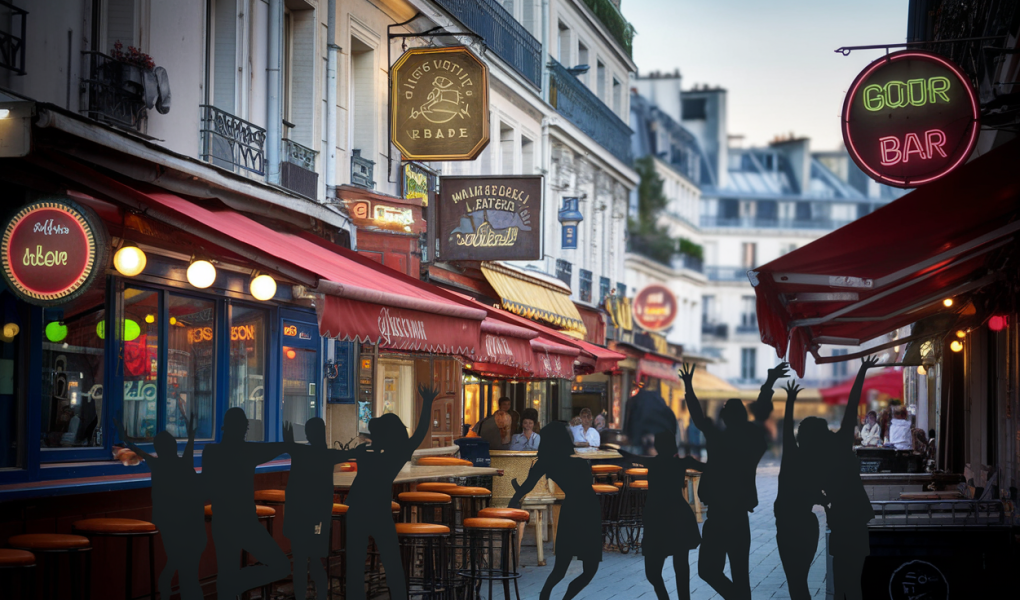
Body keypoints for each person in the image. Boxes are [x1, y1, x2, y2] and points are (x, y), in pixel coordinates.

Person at [680, 361, 787, 600]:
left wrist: (688, 386)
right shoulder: (754, 439)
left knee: (707, 570)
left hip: (718, 516)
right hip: (739, 518)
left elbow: (698, 417)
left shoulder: (717, 437)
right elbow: (761, 413)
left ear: (726, 417)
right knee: (741, 575)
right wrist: (769, 382)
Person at [343, 384, 439, 600]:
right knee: (392, 561)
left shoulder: (364, 452)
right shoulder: (397, 453)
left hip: (357, 507)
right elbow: (421, 432)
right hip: (379, 509)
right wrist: (427, 403)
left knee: (355, 563)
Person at [800, 356, 879, 600]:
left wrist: (824, 501)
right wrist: (863, 370)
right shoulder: (841, 442)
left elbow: (810, 493)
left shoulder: (815, 461)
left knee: (842, 578)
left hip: (840, 521)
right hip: (856, 517)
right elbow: (853, 404)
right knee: (853, 579)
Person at [114, 412, 205, 600]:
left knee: (176, 558)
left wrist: (124, 438)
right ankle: (173, 589)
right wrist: (191, 434)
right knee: (184, 562)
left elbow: (137, 451)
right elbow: (189, 447)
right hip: (187, 520)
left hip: (166, 520)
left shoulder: (156, 463)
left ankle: (165, 588)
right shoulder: (182, 463)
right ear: (173, 447)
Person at [203, 408, 291, 599]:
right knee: (281, 566)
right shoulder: (248, 451)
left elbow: (205, 488)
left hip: (222, 521)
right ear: (244, 428)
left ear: (224, 427)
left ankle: (230, 583)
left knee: (227, 571)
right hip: (245, 522)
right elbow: (278, 448)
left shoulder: (210, 452)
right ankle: (236, 582)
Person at [509, 422, 601, 600]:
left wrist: (513, 502)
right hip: (589, 510)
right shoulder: (576, 458)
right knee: (590, 570)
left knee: (560, 569)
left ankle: (544, 595)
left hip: (572, 510)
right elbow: (587, 481)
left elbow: (527, 486)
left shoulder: (546, 461)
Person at [619, 432, 704, 600]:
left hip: (657, 516)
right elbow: (709, 467)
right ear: (674, 447)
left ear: (656, 446)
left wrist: (613, 448)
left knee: (652, 571)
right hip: (678, 515)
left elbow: (630, 457)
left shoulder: (653, 462)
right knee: (681, 565)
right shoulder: (683, 462)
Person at [281, 418, 356, 600]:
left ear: (307, 434)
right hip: (318, 517)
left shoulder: (299, 451)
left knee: (299, 561)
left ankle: (302, 596)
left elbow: (289, 445)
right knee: (316, 560)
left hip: (297, 514)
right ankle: (321, 596)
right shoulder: (328, 454)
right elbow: (355, 453)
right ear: (323, 432)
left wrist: (288, 439)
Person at [774, 380, 825, 600]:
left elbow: (786, 430)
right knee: (799, 578)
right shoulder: (818, 463)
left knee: (795, 579)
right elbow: (818, 495)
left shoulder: (792, 457)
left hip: (788, 524)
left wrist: (791, 400)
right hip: (806, 524)